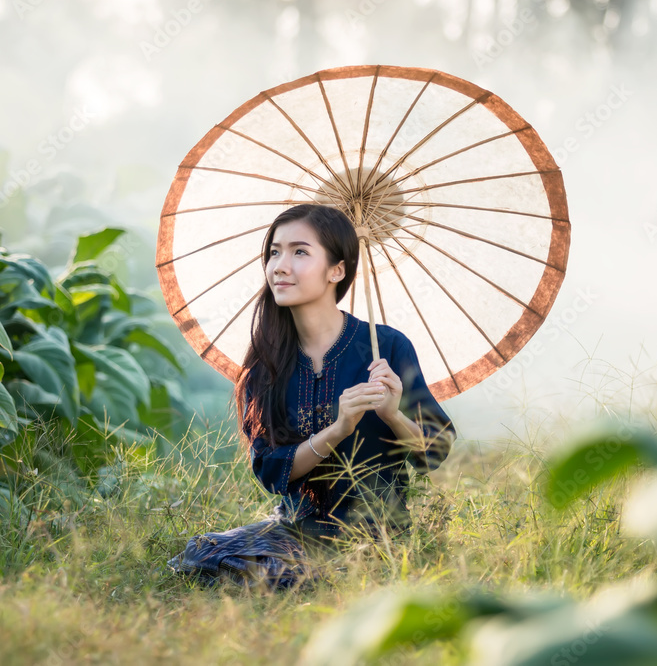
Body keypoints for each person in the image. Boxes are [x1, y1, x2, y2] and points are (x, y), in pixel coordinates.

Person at [167, 203, 456, 589]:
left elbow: (435, 451)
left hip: (377, 534)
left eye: (300, 252)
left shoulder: (386, 347)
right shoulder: (266, 363)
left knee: (278, 572)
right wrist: (338, 429)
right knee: (201, 552)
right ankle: (315, 578)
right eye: (274, 252)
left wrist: (392, 414)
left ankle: (336, 577)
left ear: (337, 269)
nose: (280, 266)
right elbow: (271, 470)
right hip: (295, 533)